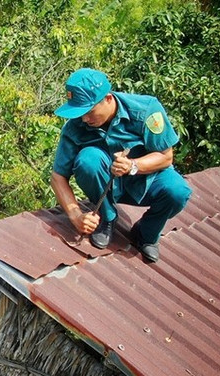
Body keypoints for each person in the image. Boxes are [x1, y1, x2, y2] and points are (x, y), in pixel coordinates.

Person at [50, 68, 192, 262]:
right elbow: (58, 177)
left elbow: (166, 157)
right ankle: (107, 217)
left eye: (89, 112)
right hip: (106, 187)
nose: (85, 119)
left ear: (108, 99)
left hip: (146, 182)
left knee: (178, 191)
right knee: (88, 159)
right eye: (80, 113)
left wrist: (133, 165)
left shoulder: (146, 110)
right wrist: (76, 216)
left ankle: (146, 233)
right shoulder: (76, 125)